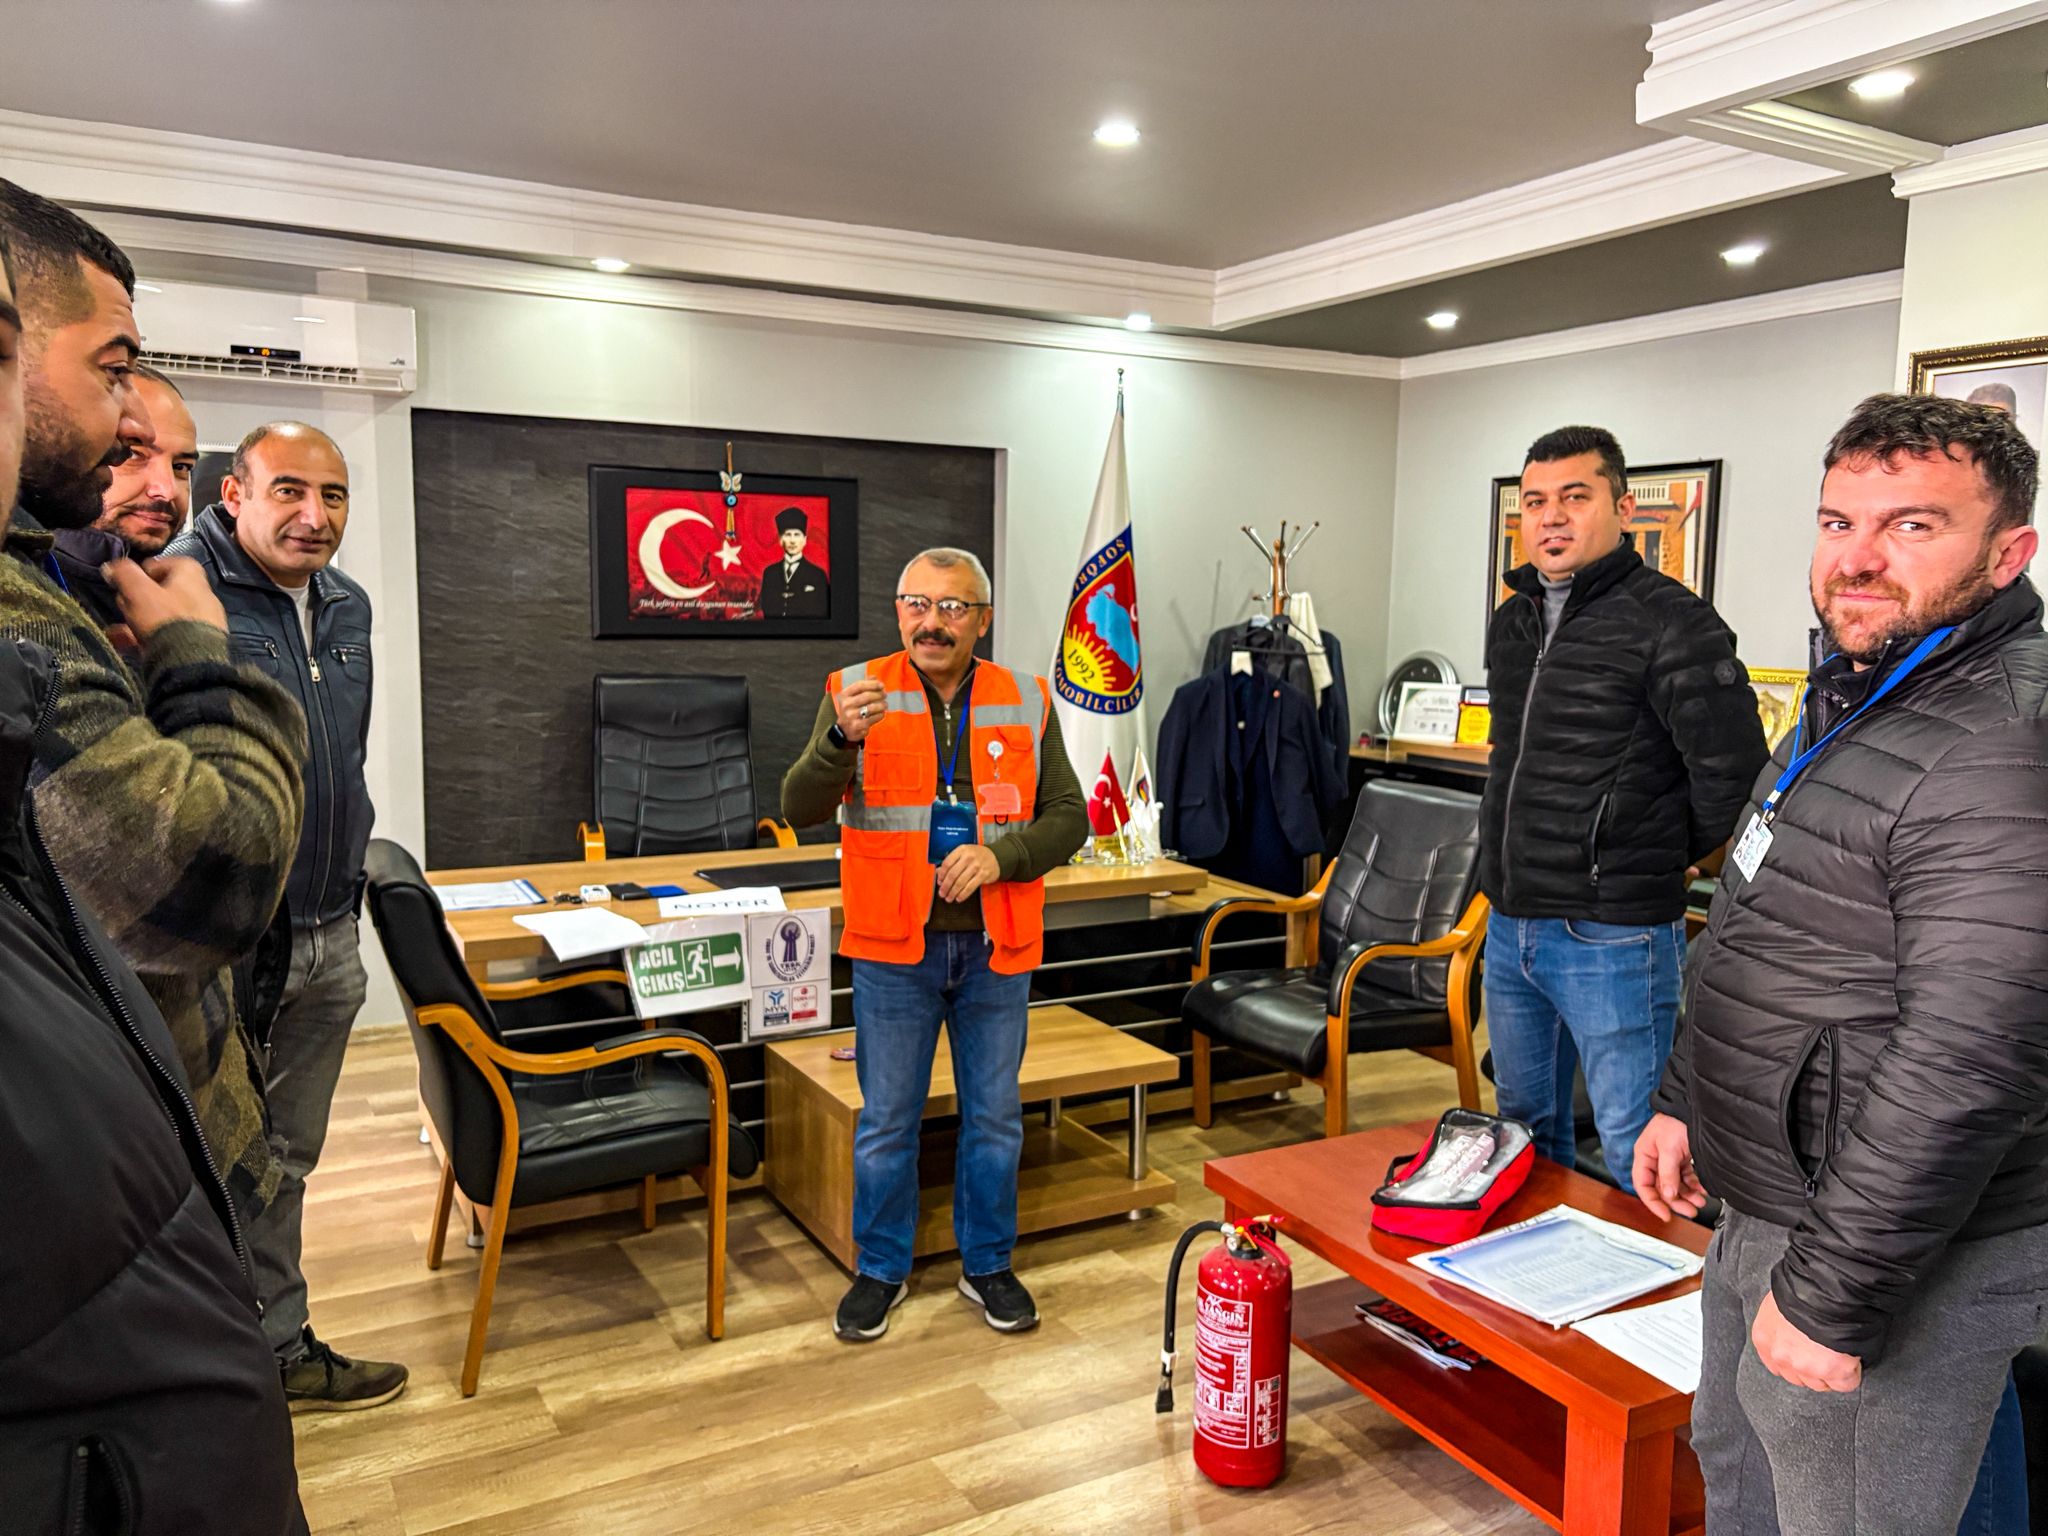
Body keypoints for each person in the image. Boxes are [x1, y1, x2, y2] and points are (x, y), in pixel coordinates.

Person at [1637, 393, 2048, 1535]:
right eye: (1837, 522)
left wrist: (1833, 1291)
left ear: (2007, 552)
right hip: (1777, 1194)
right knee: (1742, 1475)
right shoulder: (1862, 688)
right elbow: (1756, 923)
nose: (1857, 558)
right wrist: (1685, 1101)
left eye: (1911, 526)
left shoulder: (1999, 746)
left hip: (1885, 1236)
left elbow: (1975, 1053)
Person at [0, 225, 305, 1536]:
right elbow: (207, 879)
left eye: (176, 459)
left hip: (168, 1137)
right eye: (115, 376)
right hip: (104, 1244)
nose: (144, 461)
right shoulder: (52, 616)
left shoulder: (95, 598)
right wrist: (197, 658)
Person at [783, 547, 1086, 1342]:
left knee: (996, 1120)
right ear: (898, 613)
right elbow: (798, 803)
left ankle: (986, 1265)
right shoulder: (855, 692)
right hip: (894, 948)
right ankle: (880, 1269)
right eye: (918, 604)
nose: (933, 622)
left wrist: (1002, 856)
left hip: (994, 946)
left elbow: (1069, 817)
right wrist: (838, 741)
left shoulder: (1026, 698)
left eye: (952, 607)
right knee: (888, 1121)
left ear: (982, 620)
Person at [167, 421, 405, 1412]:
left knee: (285, 1158)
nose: (315, 515)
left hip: (328, 929)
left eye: (334, 495)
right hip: (225, 943)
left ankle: (275, 1346)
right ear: (233, 494)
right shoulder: (182, 587)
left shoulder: (345, 604)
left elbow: (340, 761)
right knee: (204, 1159)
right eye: (290, 491)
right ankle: (203, 1371)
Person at [1480, 425, 1767, 1193]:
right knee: (1522, 1135)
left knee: (1639, 1150)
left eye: (1575, 496)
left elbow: (1736, 780)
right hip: (1511, 923)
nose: (1551, 517)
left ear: (1623, 507)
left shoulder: (1673, 621)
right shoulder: (1513, 622)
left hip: (1613, 933)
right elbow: (1509, 762)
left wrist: (1654, 850)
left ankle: (1656, 1276)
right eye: (1535, 501)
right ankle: (1542, 1274)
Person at [50, 362, 198, 627]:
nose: (166, 491)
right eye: (134, 454)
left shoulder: (188, 593)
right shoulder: (27, 588)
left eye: (181, 467)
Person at [756, 504, 830, 618]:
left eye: (797, 535)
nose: (792, 541)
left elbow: (823, 611)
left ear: (804, 540)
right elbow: (766, 607)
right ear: (780, 540)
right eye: (788, 535)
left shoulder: (817, 575)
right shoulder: (770, 573)